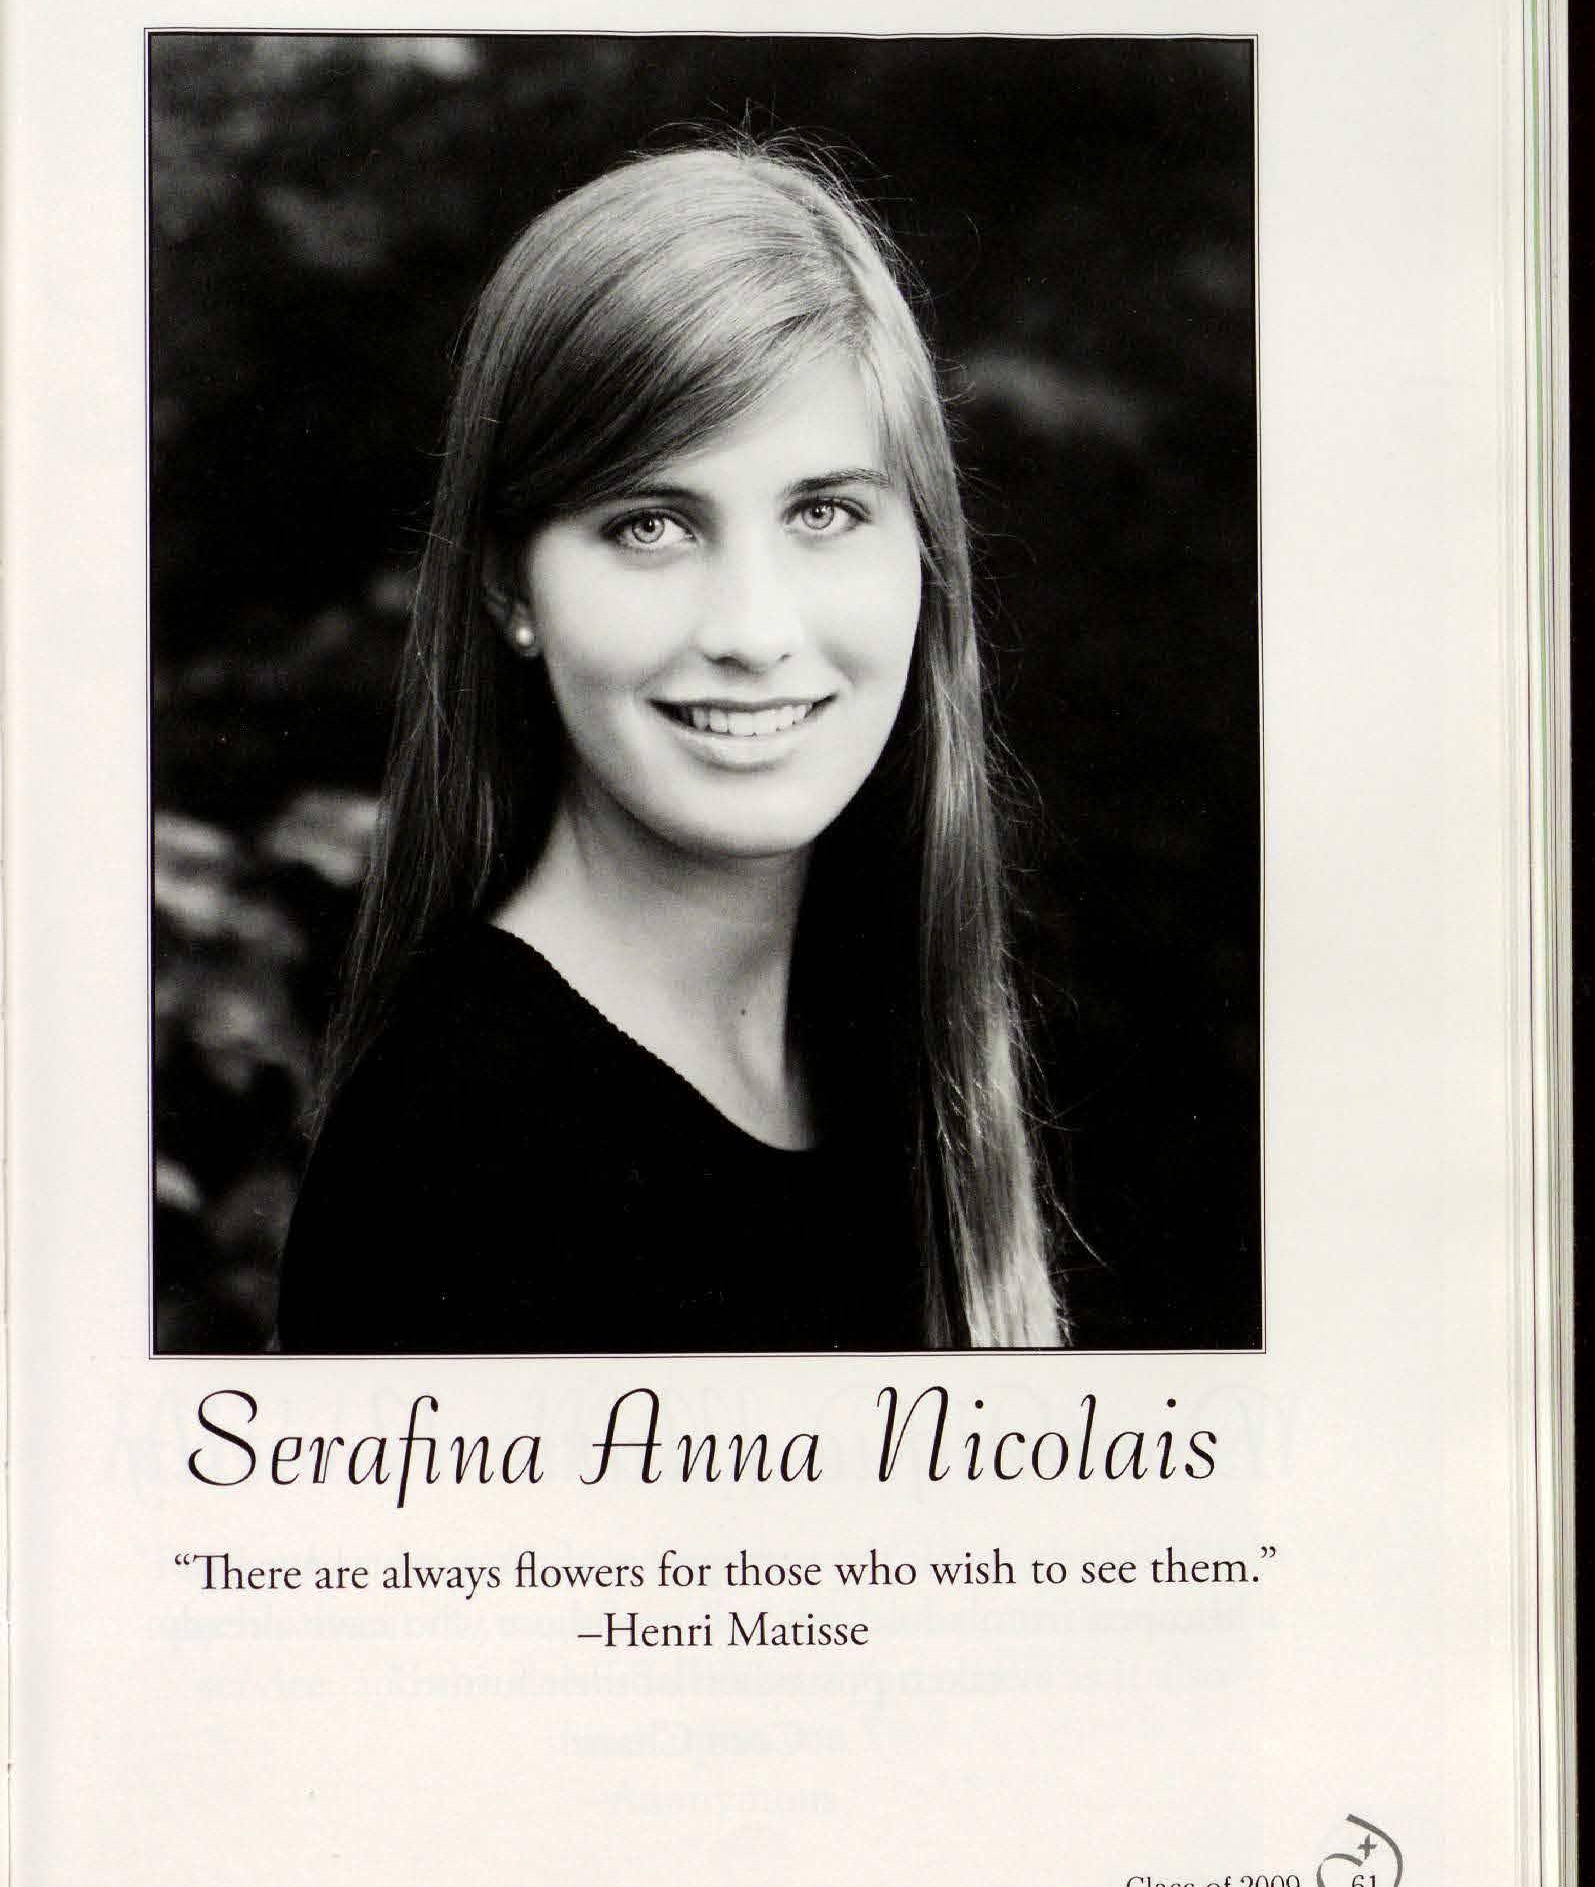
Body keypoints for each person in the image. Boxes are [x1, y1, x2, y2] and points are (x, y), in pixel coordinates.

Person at [278, 140, 1064, 1354]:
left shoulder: (880, 1055)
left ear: (925, 550)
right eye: (650, 524)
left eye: (824, 512)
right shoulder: (458, 1158)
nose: (753, 630)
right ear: (508, 584)